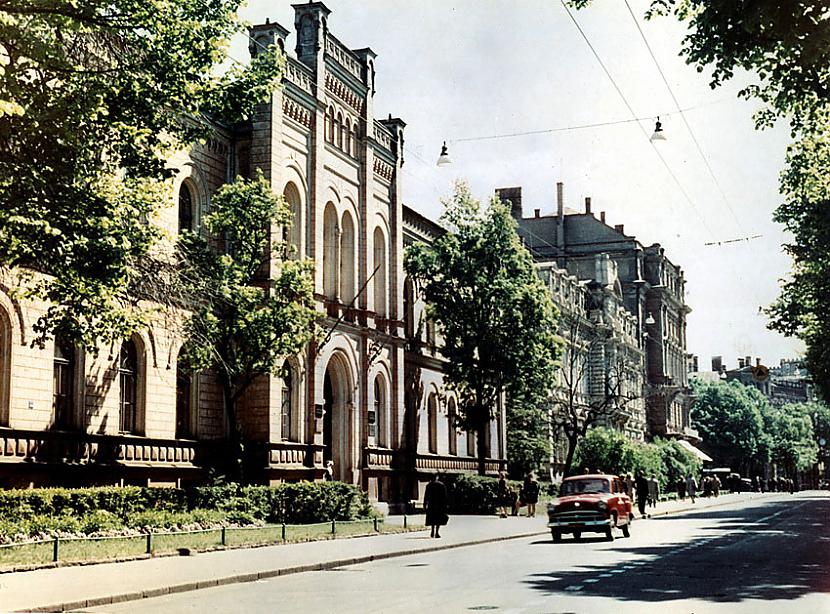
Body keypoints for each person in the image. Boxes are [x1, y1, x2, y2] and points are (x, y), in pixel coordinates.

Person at [424, 474, 449, 538]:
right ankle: (437, 532)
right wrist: (446, 504)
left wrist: (425, 504)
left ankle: (432, 531)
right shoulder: (441, 485)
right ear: (437, 477)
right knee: (438, 518)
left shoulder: (429, 485)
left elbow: (426, 496)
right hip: (439, 504)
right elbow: (445, 496)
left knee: (432, 518)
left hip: (432, 503)